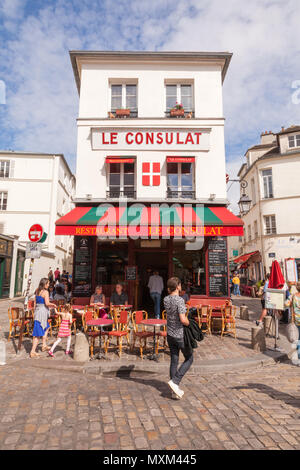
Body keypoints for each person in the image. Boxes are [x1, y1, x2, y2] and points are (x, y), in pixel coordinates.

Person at [164, 277, 192, 400]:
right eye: (180, 285)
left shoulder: (166, 299)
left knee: (174, 360)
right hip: (180, 335)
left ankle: (174, 391)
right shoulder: (180, 300)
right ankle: (175, 381)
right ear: (178, 286)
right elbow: (182, 319)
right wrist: (189, 323)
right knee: (189, 358)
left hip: (170, 334)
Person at [30, 278, 57, 358]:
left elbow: (35, 302)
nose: (49, 285)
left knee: (47, 328)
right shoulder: (46, 292)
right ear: (45, 284)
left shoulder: (37, 290)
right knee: (37, 333)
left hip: (38, 311)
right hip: (42, 312)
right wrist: (53, 305)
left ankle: (44, 345)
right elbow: (47, 303)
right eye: (48, 284)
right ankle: (32, 351)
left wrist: (35, 312)